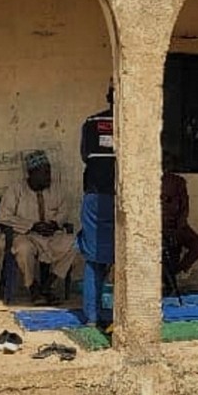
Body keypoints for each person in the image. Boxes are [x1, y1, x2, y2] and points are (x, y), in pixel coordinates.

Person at [0, 150, 75, 304]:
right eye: (44, 173)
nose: (48, 177)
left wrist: (54, 224)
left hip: (49, 236)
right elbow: (3, 217)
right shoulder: (15, 190)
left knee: (75, 244)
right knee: (24, 249)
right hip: (24, 235)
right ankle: (33, 287)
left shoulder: (57, 190)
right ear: (32, 173)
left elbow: (64, 211)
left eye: (49, 172)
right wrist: (31, 226)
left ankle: (48, 285)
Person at [77, 83, 117, 327]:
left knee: (93, 258)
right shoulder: (136, 124)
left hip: (95, 197)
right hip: (124, 198)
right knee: (122, 257)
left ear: (108, 97)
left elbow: (85, 156)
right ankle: (117, 314)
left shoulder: (92, 122)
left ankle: (92, 316)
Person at [161, 153, 198, 274]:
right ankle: (168, 275)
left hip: (178, 225)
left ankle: (177, 270)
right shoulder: (149, 182)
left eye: (168, 164)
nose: (166, 167)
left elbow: (184, 206)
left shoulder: (178, 182)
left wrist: (179, 225)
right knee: (168, 249)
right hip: (158, 227)